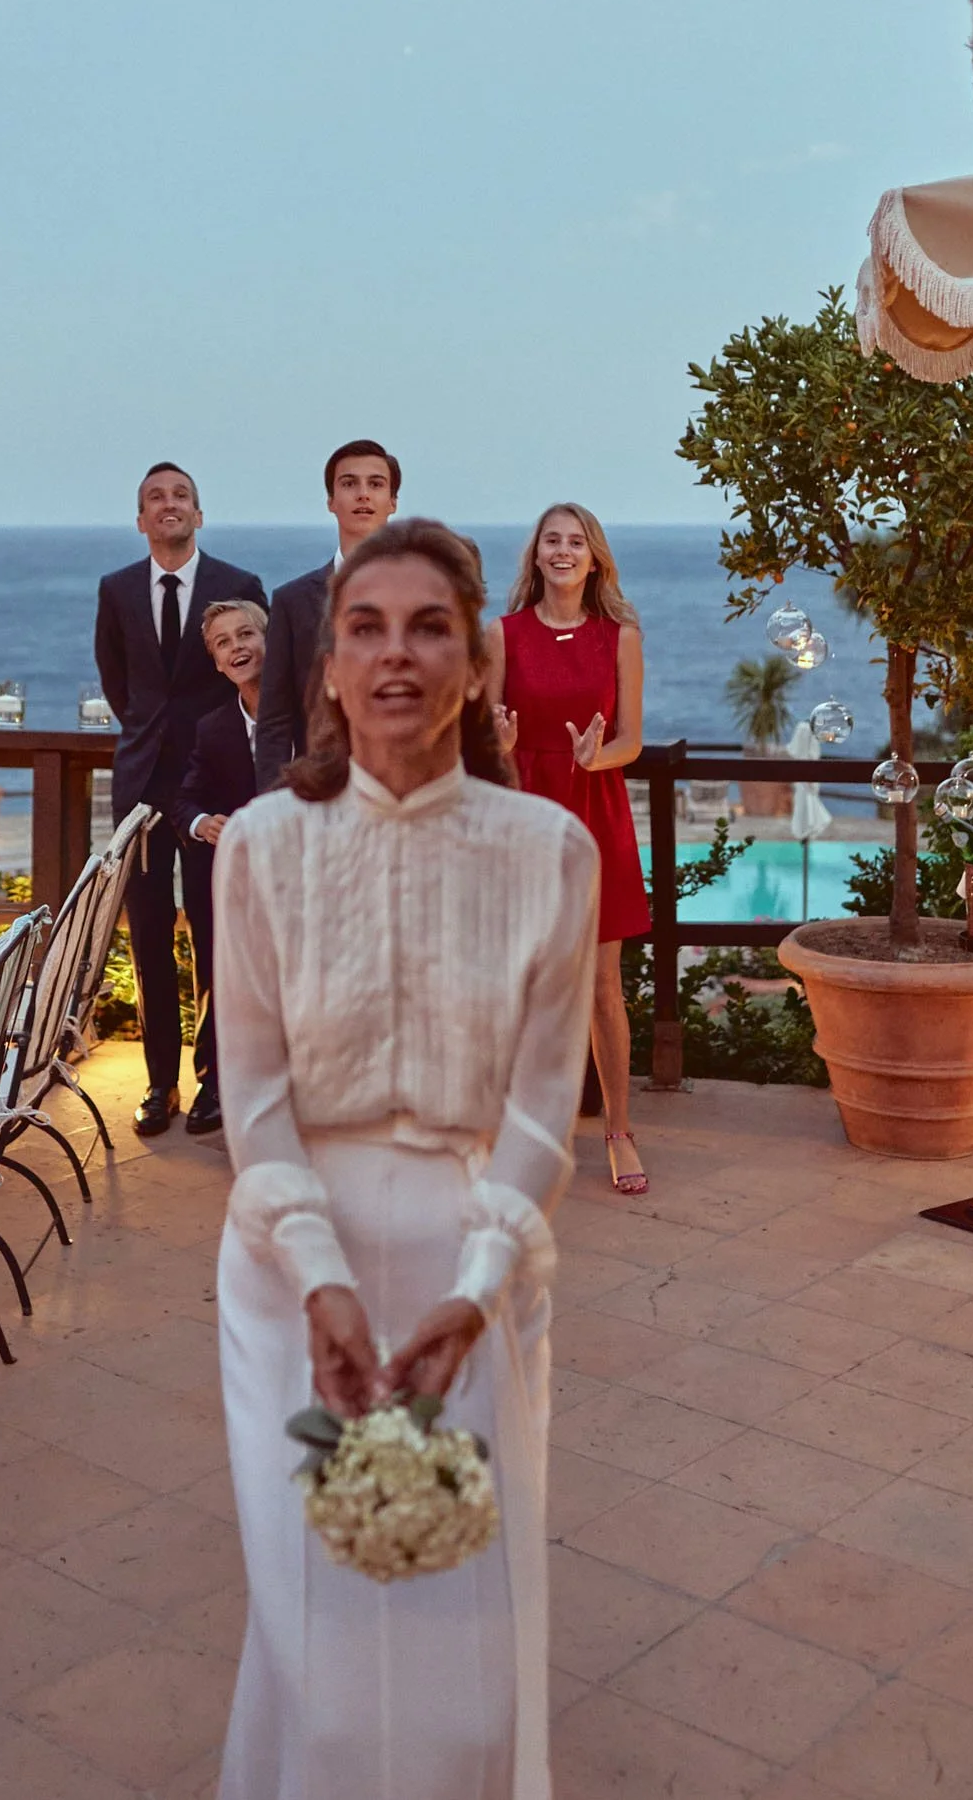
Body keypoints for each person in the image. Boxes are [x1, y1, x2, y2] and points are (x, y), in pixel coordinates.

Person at [213, 519, 598, 1800]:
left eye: (429, 627)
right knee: (313, 1621)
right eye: (365, 628)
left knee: (466, 1619)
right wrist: (321, 1278)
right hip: (286, 1262)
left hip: (470, 1255)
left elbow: (546, 1102)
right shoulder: (263, 846)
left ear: (478, 660)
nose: (397, 656)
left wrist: (480, 1283)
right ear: (326, 670)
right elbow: (255, 1097)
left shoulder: (550, 851)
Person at [94, 463, 266, 1139]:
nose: (169, 505)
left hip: (214, 788)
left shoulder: (239, 588)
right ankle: (159, 1080)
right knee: (149, 936)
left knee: (216, 929)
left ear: (199, 513)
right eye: (155, 498)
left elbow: (256, 678)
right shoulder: (115, 591)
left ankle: (215, 1081)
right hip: (140, 785)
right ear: (140, 520)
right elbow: (120, 684)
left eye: (181, 496)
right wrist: (148, 737)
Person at [487, 504, 650, 1197]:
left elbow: (632, 739)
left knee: (601, 989)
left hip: (593, 809)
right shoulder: (501, 634)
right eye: (550, 541)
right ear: (535, 556)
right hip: (522, 812)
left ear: (594, 559)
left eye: (574, 541)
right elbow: (484, 739)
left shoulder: (621, 637)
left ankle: (617, 1130)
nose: (561, 551)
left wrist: (594, 757)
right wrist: (495, 747)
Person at [170, 599, 268, 1132]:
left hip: (301, 877)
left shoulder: (311, 713)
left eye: (247, 634)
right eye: (224, 643)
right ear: (215, 662)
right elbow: (185, 801)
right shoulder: (212, 728)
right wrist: (203, 821)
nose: (238, 648)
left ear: (269, 641)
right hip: (235, 881)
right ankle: (215, 1084)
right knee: (215, 968)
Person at [253, 438, 400, 792]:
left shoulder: (427, 594)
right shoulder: (291, 601)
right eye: (349, 484)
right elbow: (274, 721)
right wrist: (275, 809)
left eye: (375, 484)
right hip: (322, 793)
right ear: (331, 501)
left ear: (392, 502)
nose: (363, 494)